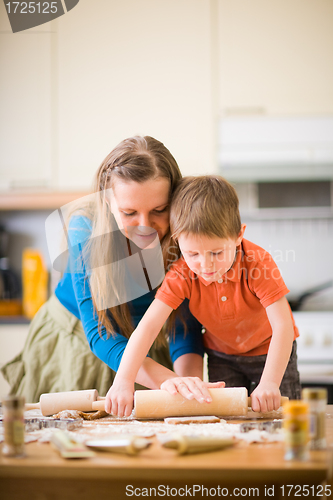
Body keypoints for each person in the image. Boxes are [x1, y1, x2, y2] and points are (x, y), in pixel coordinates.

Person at [1, 137, 222, 403]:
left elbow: (182, 324)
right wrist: (171, 381)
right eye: (129, 212)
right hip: (78, 339)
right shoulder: (84, 228)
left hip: (146, 345)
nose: (145, 226)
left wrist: (190, 383)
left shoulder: (185, 232)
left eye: (159, 210)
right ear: (107, 202)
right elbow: (100, 333)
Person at [106, 175, 302, 417]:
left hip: (271, 353)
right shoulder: (181, 273)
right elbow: (148, 327)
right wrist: (123, 381)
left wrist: (270, 383)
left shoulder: (258, 264)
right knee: (229, 418)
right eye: (193, 253)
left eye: (217, 252)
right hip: (222, 356)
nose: (205, 264)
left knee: (286, 418)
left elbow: (282, 327)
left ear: (238, 236)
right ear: (178, 241)